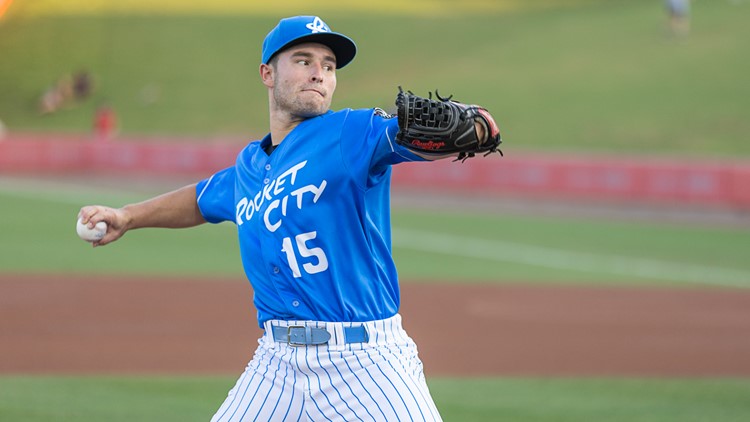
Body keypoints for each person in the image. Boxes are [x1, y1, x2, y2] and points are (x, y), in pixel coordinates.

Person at [78, 15, 501, 421]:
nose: (320, 73)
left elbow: (421, 134)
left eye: (329, 65)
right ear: (267, 73)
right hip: (276, 364)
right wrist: (127, 216)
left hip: (366, 363)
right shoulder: (249, 167)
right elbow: (201, 199)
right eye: (304, 61)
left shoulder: (351, 133)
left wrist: (476, 124)